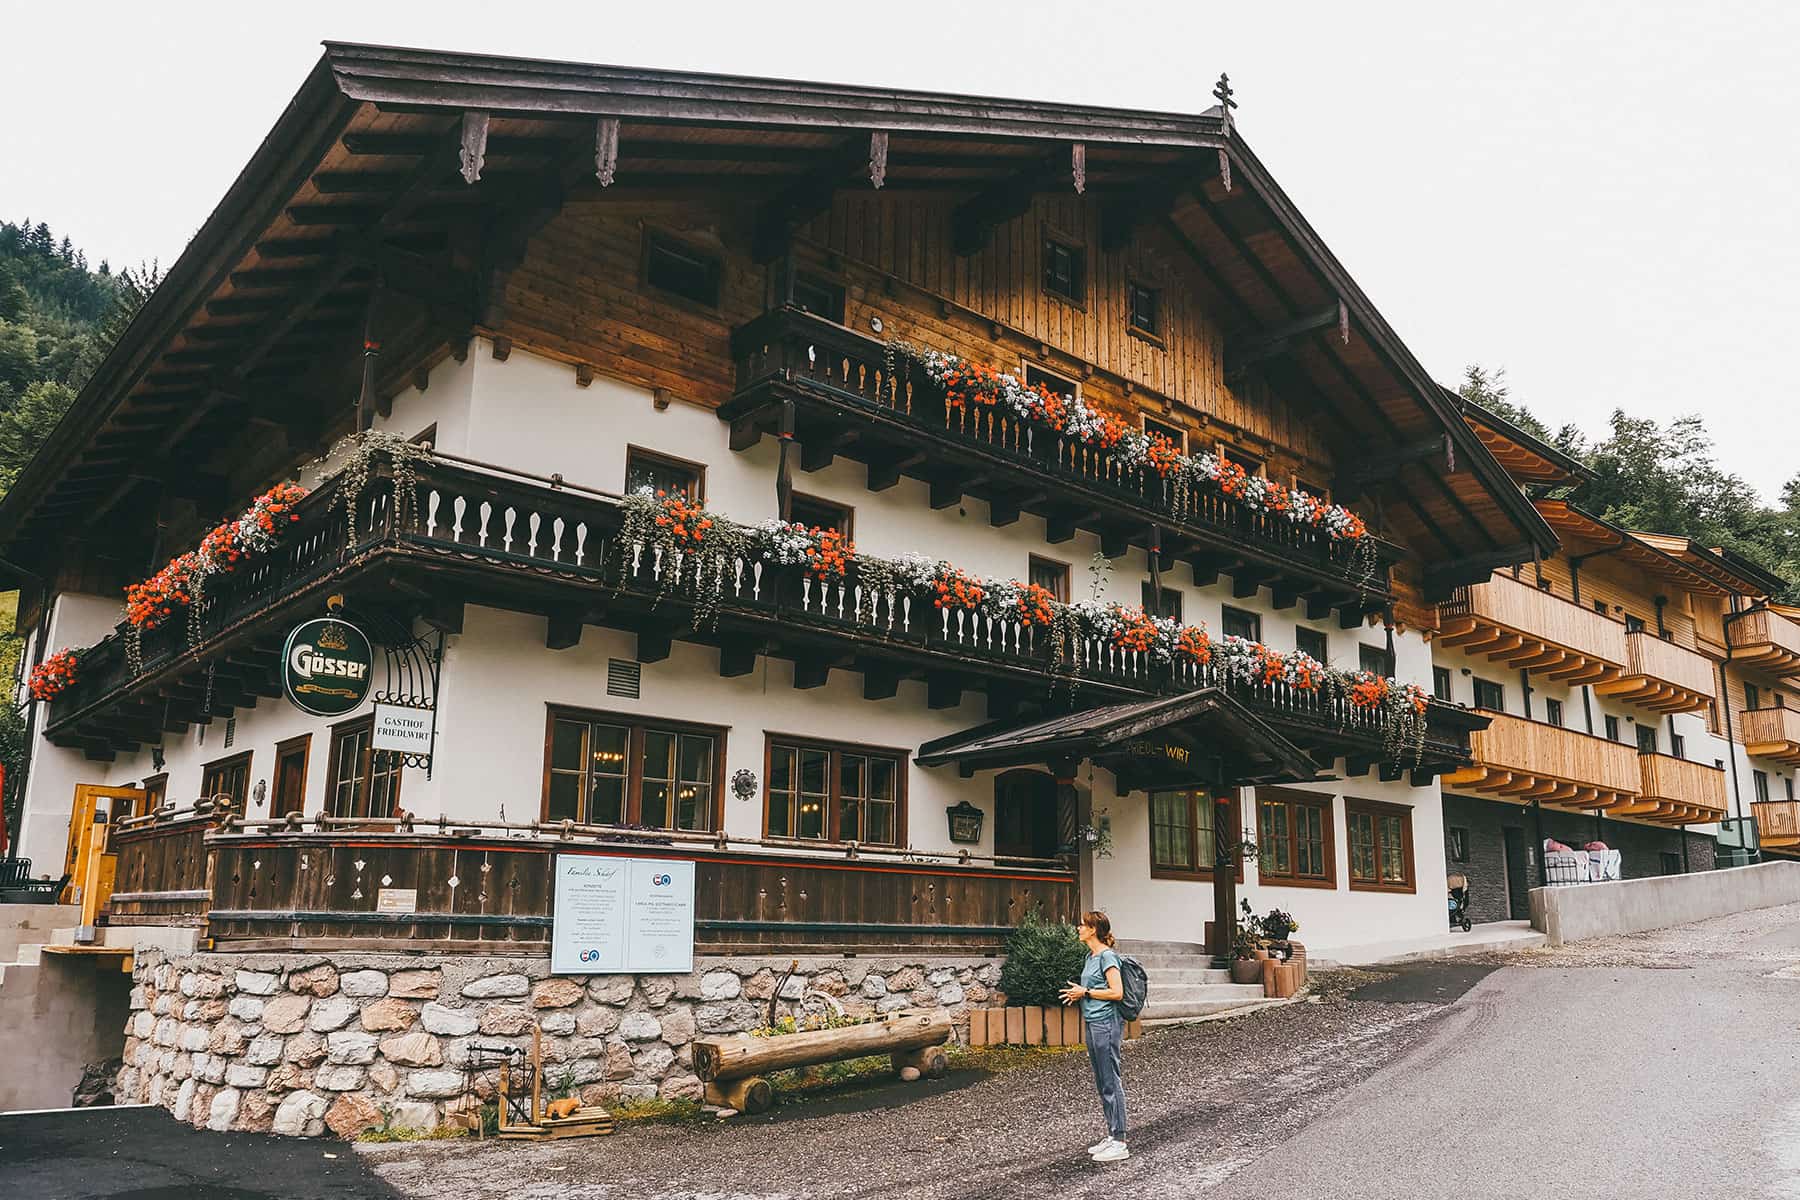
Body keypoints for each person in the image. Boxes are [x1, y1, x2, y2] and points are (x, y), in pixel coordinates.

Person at [1060, 909, 1128, 1162]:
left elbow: (1117, 992)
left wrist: (1085, 992)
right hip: (1092, 1022)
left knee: (1111, 1079)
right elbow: (1089, 989)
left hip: (1106, 1024)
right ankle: (1112, 1134)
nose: (1078, 928)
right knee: (1102, 1080)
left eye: (1082, 925)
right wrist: (1078, 994)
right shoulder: (1091, 957)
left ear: (1093, 930)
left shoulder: (1107, 957)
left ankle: (1120, 1141)